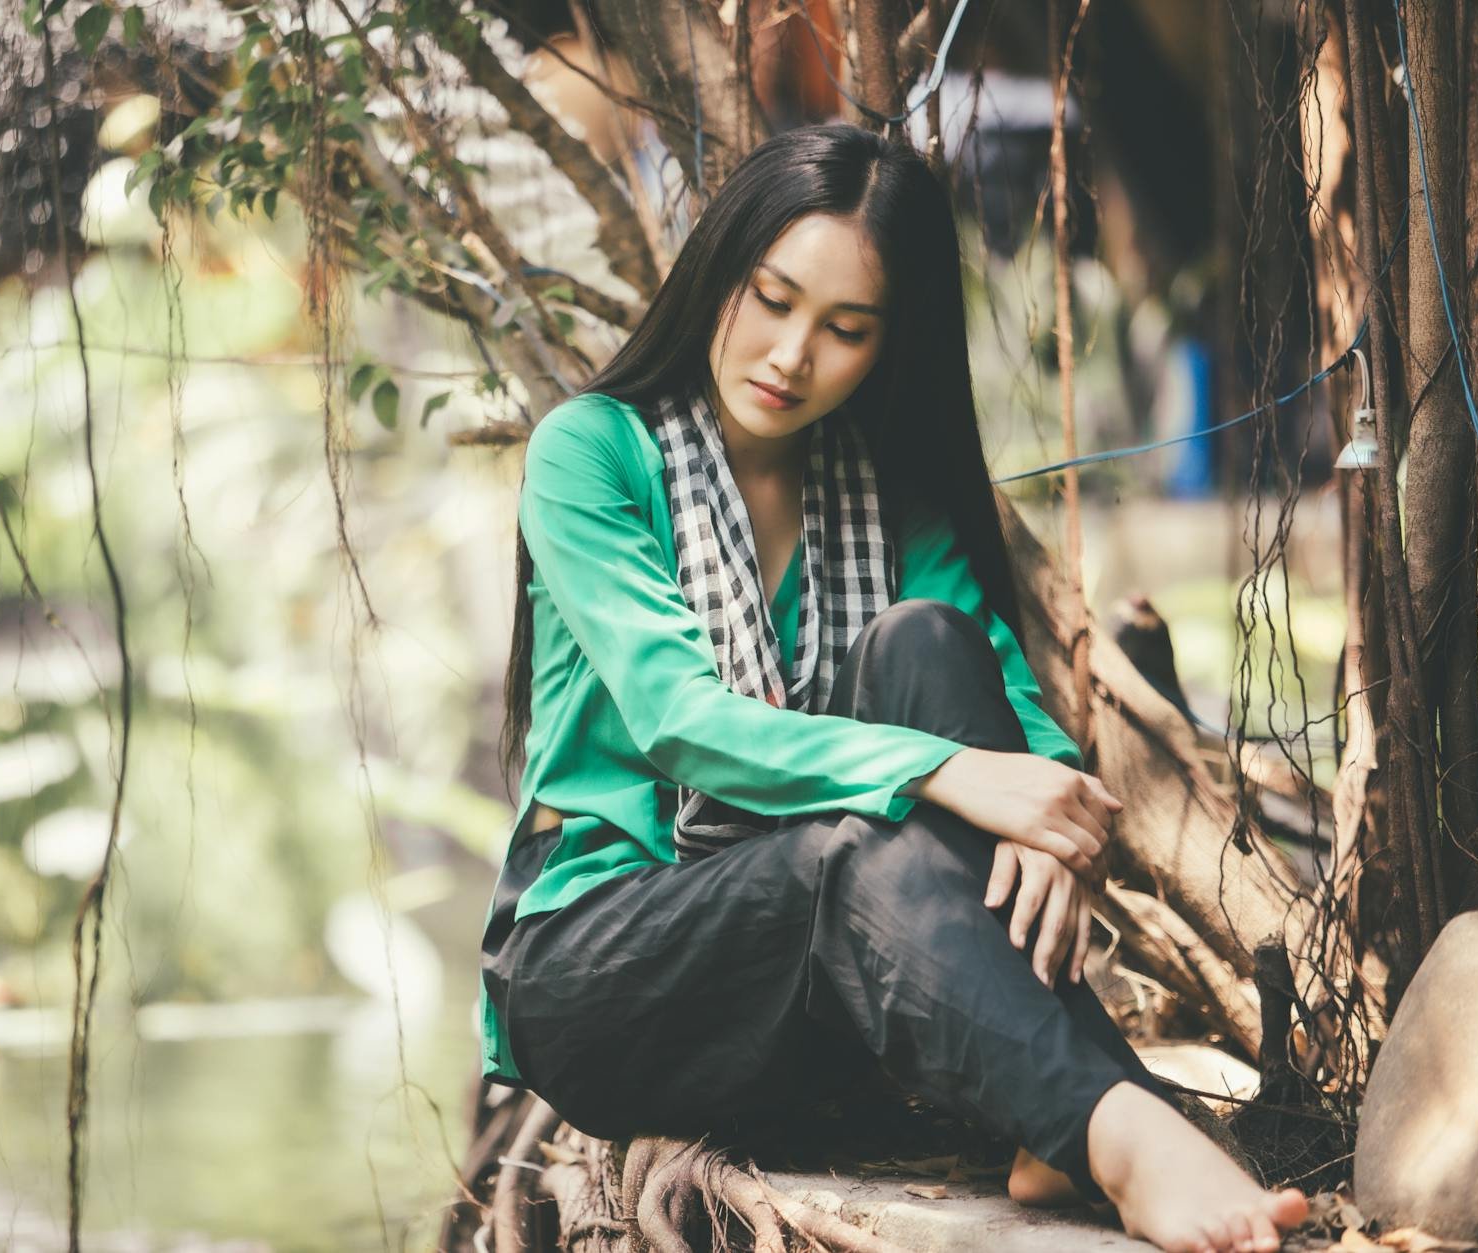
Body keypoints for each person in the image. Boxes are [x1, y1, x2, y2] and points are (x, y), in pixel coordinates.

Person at [477, 124, 1307, 1253]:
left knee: (924, 638)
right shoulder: (591, 453)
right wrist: (954, 775)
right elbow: (682, 722)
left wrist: (1048, 810)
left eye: (844, 328)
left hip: (820, 1001)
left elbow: (1003, 701)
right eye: (769, 297)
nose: (788, 352)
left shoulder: (876, 491)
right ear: (719, 270)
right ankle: (1113, 1125)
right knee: (845, 850)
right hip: (608, 977)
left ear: (886, 345)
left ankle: (1050, 1115)